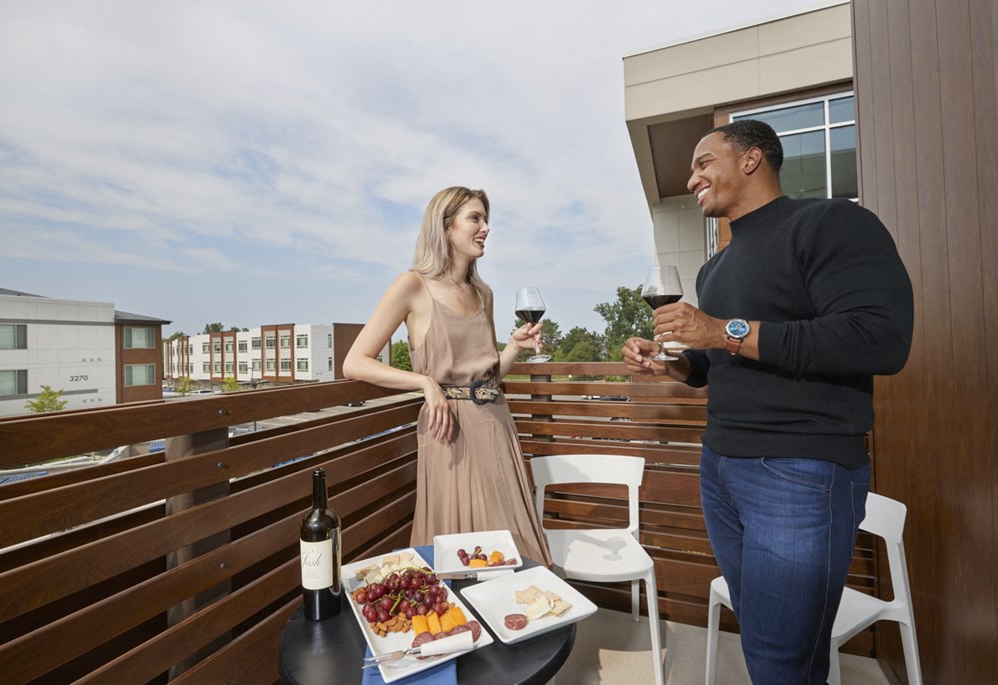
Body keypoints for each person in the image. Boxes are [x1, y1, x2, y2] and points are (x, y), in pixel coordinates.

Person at [622, 120, 913, 684]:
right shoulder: (716, 266)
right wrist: (675, 363)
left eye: (704, 162)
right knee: (760, 637)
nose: (693, 177)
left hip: (800, 473)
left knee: (785, 660)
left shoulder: (830, 223)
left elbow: (880, 338)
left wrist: (720, 329)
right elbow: (716, 362)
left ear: (752, 159)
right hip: (721, 470)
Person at [343, 186, 552, 566]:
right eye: (475, 218)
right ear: (446, 227)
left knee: (510, 541)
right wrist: (425, 383)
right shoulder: (412, 286)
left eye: (486, 219)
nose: (486, 227)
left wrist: (514, 347)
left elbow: (488, 375)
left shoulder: (483, 293)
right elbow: (355, 362)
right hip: (447, 431)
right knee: (454, 548)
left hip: (496, 425)